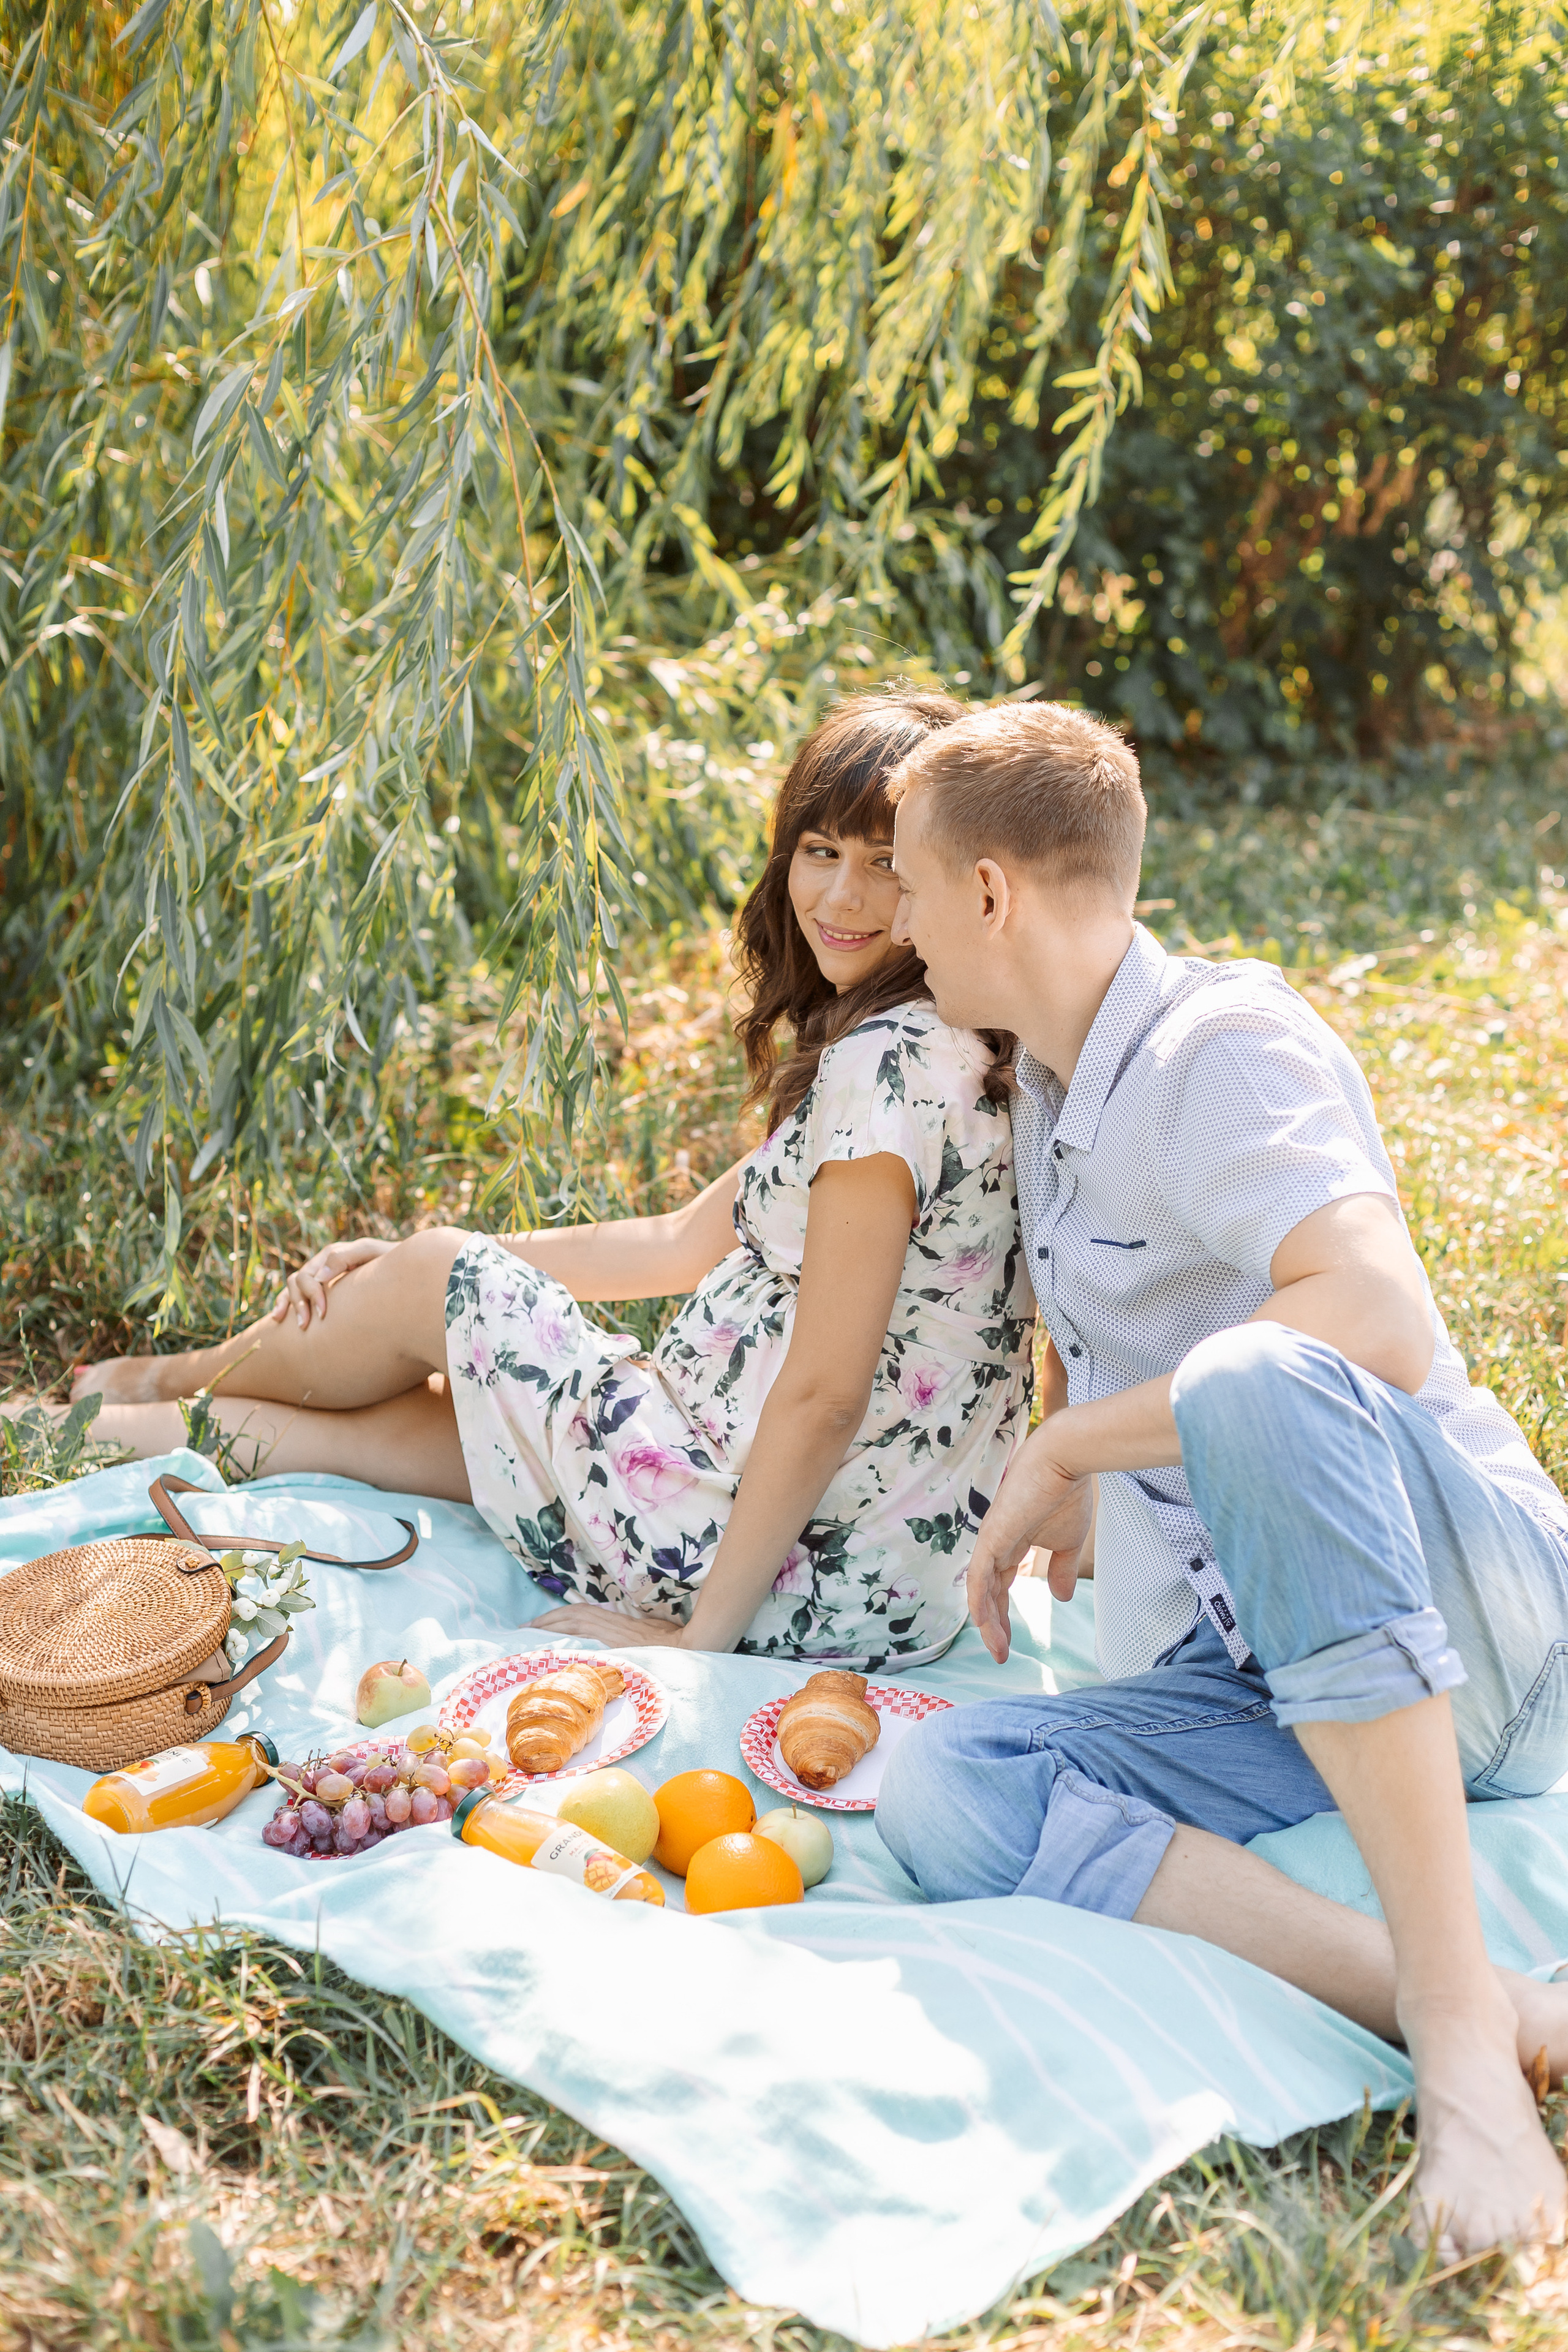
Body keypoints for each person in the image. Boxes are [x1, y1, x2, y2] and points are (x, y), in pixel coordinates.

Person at [872, 697, 1568, 2255]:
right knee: (946, 1787)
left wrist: (1071, 1447)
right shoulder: (1044, 1089)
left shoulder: (1220, 1047)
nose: (900, 928)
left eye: (912, 889)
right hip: (1274, 1663)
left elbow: (1373, 1321)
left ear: (987, 893)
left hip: (1491, 1629)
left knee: (1260, 1368)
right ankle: (1477, 2001)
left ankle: (1464, 2064)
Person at [69, 693, 1035, 1668]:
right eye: (821, 852)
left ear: (945, 874)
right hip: (868, 1577)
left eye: (885, 865)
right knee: (395, 1426)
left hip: (760, 1556)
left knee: (443, 1270)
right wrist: (420, 1276)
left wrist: (697, 1639)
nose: (843, 898)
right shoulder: (964, 1043)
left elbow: (827, 1396)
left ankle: (159, 1375)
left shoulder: (892, 1068)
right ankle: (95, 1424)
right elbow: (679, 1243)